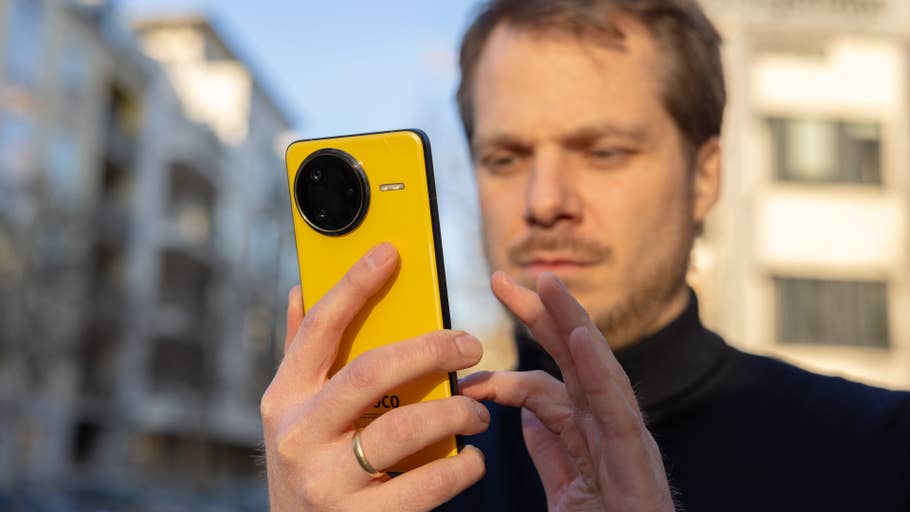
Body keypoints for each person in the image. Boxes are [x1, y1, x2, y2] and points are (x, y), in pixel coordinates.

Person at [259, 0, 910, 510]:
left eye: (604, 152)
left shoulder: (884, 455)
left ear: (705, 177)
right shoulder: (394, 473)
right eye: (505, 158)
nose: (545, 201)